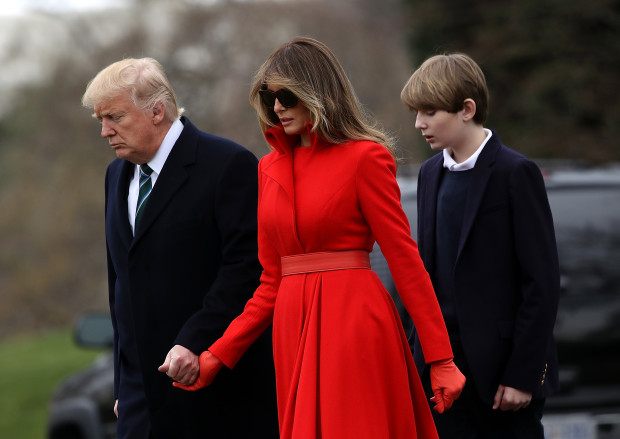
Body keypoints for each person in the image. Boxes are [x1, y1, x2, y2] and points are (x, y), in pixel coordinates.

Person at [175, 37, 465, 439]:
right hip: (291, 330)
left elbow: (405, 262)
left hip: (354, 323)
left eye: (287, 96)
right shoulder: (267, 169)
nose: (277, 107)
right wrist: (218, 356)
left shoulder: (365, 157)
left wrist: (441, 358)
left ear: (317, 93)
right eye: (268, 97)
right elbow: (269, 283)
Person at [81, 57, 278, 439]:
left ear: (157, 111)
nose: (105, 132)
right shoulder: (115, 174)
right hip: (139, 401)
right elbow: (120, 282)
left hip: (216, 392)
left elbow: (247, 270)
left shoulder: (228, 164)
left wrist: (194, 341)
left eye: (115, 117)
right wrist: (123, 383)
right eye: (100, 120)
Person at [401, 53, 560, 438]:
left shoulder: (515, 173)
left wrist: (523, 376)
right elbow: (427, 275)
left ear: (467, 109)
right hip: (443, 375)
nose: (419, 123)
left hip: (504, 379)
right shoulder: (429, 173)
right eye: (417, 112)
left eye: (430, 111)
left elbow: (541, 283)